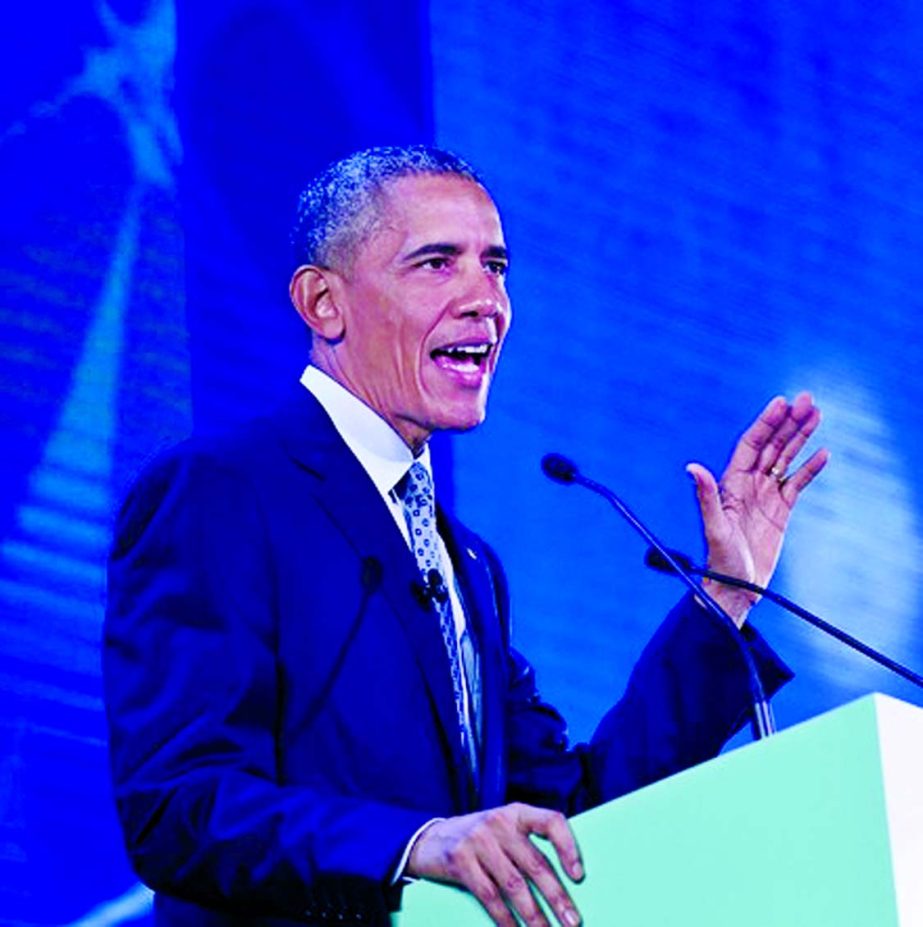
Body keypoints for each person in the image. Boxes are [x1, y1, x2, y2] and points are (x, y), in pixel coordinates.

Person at [104, 145, 828, 927]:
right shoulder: (223, 490)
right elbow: (178, 804)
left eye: (496, 266)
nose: (486, 299)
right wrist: (412, 844)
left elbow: (575, 820)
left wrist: (723, 595)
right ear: (323, 303)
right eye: (437, 264)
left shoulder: (470, 564)